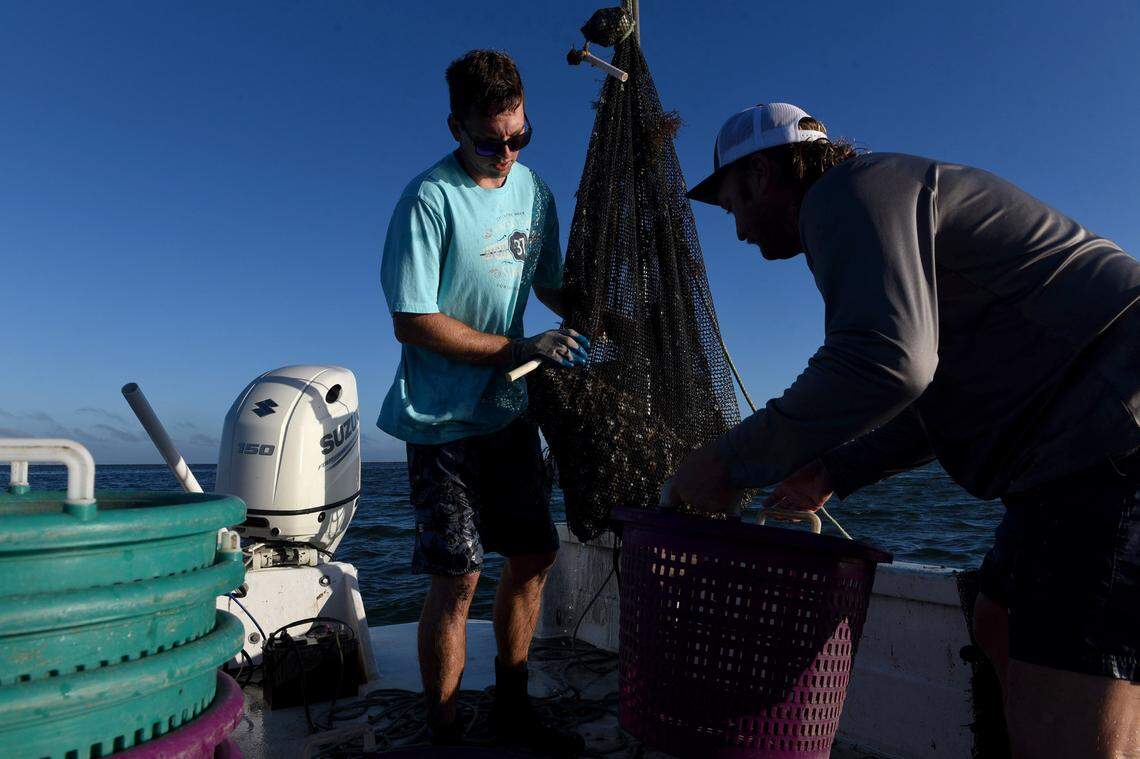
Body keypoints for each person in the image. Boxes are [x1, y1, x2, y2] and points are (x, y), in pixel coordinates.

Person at [669, 102, 1139, 757]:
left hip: (1112, 434)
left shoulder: (843, 194)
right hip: (1071, 443)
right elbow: (929, 389)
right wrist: (832, 470)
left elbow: (885, 362)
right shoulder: (878, 200)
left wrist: (726, 463)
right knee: (997, 620)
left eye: (730, 206)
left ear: (760, 176)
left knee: (1068, 724)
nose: (739, 229)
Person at [378, 49, 588, 755]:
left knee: (532, 556)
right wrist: (510, 348)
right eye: (488, 140)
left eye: (519, 136)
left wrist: (608, 317)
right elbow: (413, 318)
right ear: (454, 126)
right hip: (439, 420)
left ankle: (513, 704)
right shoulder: (428, 199)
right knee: (459, 574)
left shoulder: (537, 194)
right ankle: (442, 729)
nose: (505, 153)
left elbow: (554, 285)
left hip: (509, 412)